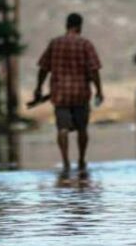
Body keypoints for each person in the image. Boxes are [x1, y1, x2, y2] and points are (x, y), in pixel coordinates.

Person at [33, 13, 103, 172]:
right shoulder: (85, 44)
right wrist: (99, 90)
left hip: (60, 94)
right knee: (82, 129)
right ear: (80, 26)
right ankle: (81, 160)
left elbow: (43, 68)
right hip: (81, 93)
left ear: (66, 25)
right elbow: (94, 70)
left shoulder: (55, 43)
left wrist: (38, 88)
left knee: (62, 129)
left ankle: (65, 162)